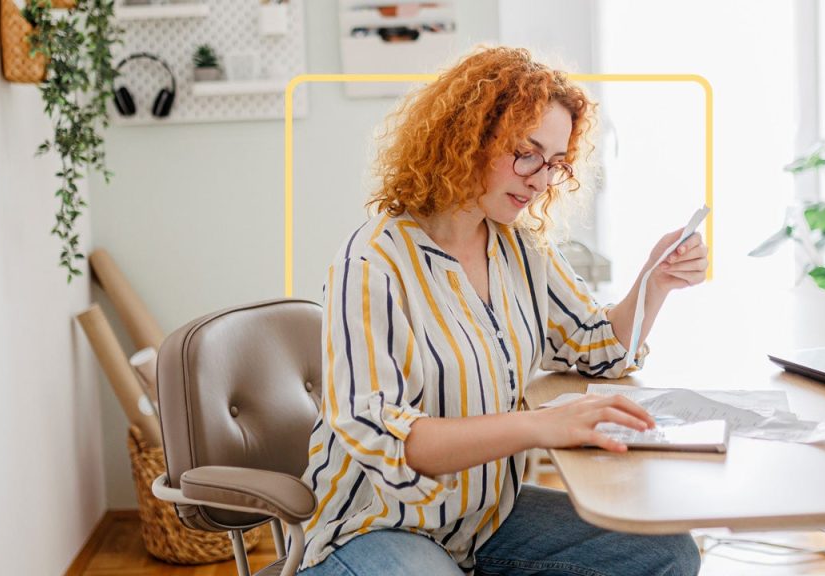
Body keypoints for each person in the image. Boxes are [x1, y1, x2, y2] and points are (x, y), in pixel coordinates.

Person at [297, 46, 709, 576]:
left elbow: (598, 346)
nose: (540, 180)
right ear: (467, 137)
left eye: (555, 163)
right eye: (526, 153)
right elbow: (390, 438)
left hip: (482, 520)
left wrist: (655, 282)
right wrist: (539, 426)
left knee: (666, 552)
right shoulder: (372, 262)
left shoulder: (521, 247)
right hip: (375, 525)